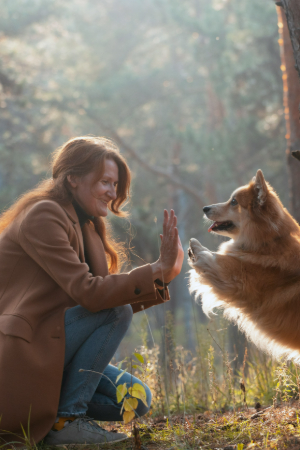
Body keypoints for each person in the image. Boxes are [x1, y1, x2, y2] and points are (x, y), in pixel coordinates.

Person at [0, 136, 184, 446]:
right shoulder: (44, 216)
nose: (113, 193)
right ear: (72, 178)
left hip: (53, 343)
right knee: (115, 311)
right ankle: (67, 420)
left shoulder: (87, 226)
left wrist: (163, 278)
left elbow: (104, 298)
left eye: (116, 185)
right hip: (22, 354)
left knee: (135, 401)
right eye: (105, 182)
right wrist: (155, 271)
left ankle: (57, 415)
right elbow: (96, 298)